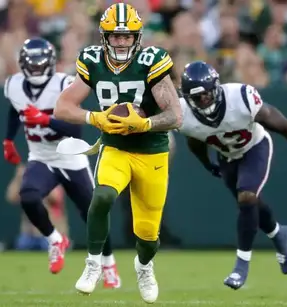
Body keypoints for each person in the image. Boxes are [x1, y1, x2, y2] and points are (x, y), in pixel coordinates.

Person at [54, 2, 182, 303]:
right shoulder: (92, 60)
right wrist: (94, 118)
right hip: (116, 147)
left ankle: (144, 265)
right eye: (115, 36)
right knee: (102, 196)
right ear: (104, 37)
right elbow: (63, 106)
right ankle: (93, 263)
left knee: (148, 236)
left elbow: (176, 116)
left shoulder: (153, 60)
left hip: (152, 151)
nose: (121, 42)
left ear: (137, 37)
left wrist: (144, 123)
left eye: (127, 36)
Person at [178, 61, 287, 290]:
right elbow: (194, 140)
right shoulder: (183, 113)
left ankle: (241, 265)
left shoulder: (240, 98)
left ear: (217, 87)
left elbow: (285, 127)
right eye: (197, 97)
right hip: (227, 156)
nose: (203, 100)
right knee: (250, 206)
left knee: (247, 197)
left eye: (206, 94)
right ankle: (279, 234)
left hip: (255, 147)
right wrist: (206, 164)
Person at [2, 37, 120, 288]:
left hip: (71, 157)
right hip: (41, 157)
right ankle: (55, 239)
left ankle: (108, 264)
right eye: (30, 66)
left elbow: (76, 129)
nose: (35, 70)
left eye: (39, 65)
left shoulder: (64, 84)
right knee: (28, 197)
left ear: (50, 64)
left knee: (93, 214)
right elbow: (15, 109)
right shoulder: (13, 85)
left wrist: (45, 120)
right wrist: (8, 140)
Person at [6, 163, 68, 251]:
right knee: (21, 246)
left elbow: (55, 197)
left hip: (51, 234)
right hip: (29, 235)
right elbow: (11, 197)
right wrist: (18, 178)